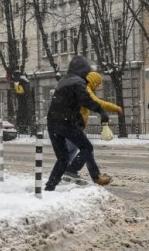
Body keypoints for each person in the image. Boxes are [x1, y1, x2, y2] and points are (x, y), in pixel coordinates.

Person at [45, 56, 111, 191]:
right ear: (82, 70)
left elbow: (68, 104)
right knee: (87, 147)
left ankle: (50, 187)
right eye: (86, 71)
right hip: (65, 123)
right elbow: (86, 100)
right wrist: (102, 112)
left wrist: (79, 121)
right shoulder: (78, 82)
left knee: (63, 158)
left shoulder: (64, 80)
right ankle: (96, 176)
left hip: (52, 123)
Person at [64, 71, 123, 180]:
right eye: (97, 84)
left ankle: (66, 172)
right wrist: (115, 108)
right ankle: (71, 170)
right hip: (73, 124)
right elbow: (97, 102)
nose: (97, 87)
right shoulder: (85, 89)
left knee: (71, 150)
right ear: (94, 82)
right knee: (87, 149)